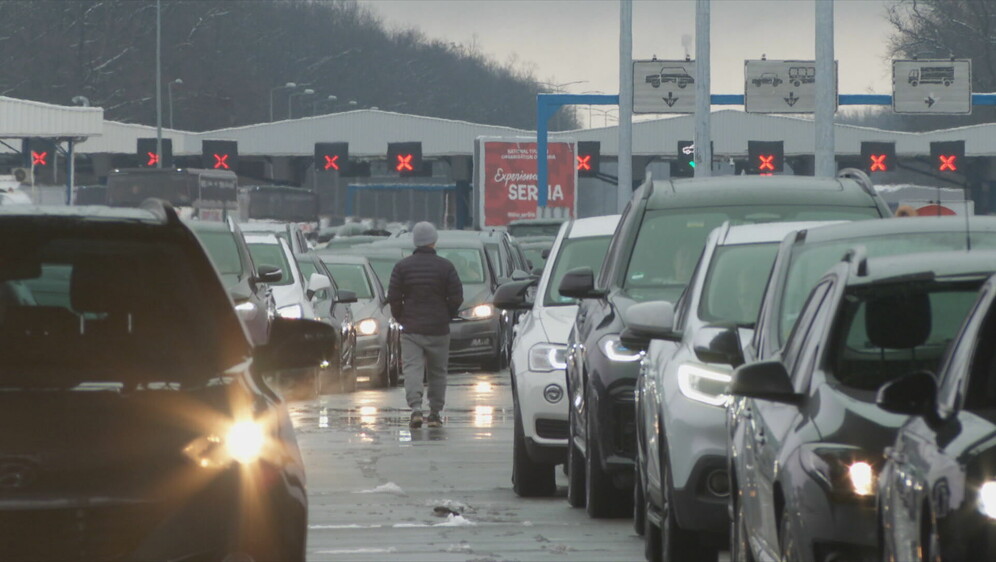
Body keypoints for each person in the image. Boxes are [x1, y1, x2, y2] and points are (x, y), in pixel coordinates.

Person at [388, 222, 463, 428]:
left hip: (412, 328)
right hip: (439, 328)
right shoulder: (446, 267)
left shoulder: (402, 267)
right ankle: (436, 413)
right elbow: (456, 296)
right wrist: (447, 314)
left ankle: (415, 409)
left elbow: (394, 297)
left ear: (415, 241)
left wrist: (402, 318)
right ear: (434, 240)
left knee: (412, 369)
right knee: (438, 371)